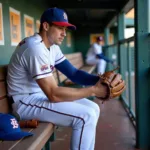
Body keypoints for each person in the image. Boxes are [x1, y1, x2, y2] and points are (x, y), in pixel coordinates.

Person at [7, 8, 116, 150]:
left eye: (65, 29)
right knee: (85, 116)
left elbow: (74, 74)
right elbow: (53, 94)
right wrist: (94, 91)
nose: (64, 33)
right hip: (24, 102)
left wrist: (99, 81)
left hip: (38, 95)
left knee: (93, 108)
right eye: (60, 28)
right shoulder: (34, 47)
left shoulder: (52, 47)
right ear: (46, 26)